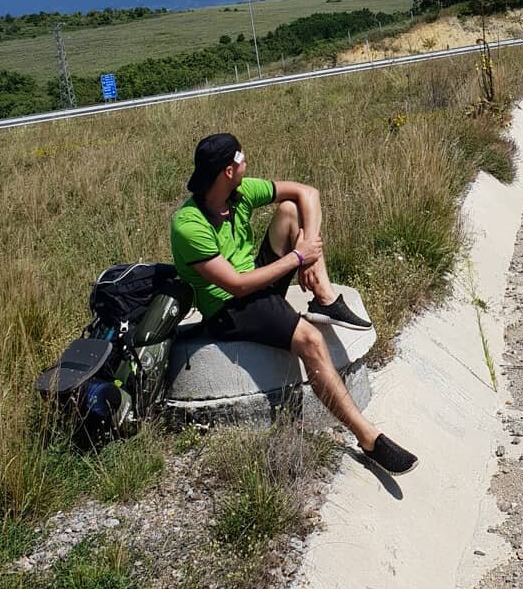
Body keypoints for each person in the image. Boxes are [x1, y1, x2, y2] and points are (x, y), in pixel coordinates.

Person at [170, 132, 418, 475]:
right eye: (241, 159)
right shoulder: (189, 224)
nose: (247, 162)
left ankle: (325, 298)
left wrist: (306, 243)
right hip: (230, 307)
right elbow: (237, 286)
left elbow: (307, 193)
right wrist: (298, 257)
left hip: (257, 280)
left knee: (290, 212)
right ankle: (368, 439)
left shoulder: (239, 194)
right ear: (227, 171)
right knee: (310, 341)